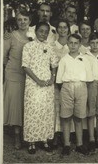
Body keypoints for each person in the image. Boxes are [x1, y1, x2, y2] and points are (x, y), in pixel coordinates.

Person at [22, 22, 59, 154]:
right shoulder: (28, 46)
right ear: (36, 31)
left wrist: (52, 78)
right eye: (41, 31)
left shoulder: (49, 47)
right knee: (32, 110)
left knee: (45, 111)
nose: (43, 34)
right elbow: (25, 66)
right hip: (33, 84)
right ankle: (31, 141)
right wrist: (37, 80)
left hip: (47, 84)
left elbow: (54, 63)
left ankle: (44, 140)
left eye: (45, 32)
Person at [56, 34, 93, 156]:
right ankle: (66, 144)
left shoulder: (85, 59)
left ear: (80, 44)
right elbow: (60, 80)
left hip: (81, 87)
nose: (73, 45)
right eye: (70, 43)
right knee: (66, 117)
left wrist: (80, 88)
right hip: (67, 87)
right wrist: (68, 88)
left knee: (78, 117)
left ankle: (79, 144)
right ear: (67, 43)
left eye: (75, 43)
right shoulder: (64, 59)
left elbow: (88, 78)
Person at [3, 8, 32, 150]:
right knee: (16, 106)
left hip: (30, 76)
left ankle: (28, 136)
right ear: (16, 21)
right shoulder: (10, 36)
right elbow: (3, 56)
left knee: (27, 106)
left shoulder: (34, 35)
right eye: (19, 19)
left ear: (29, 21)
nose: (22, 22)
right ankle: (16, 137)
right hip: (14, 75)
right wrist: (8, 69)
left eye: (25, 19)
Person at [50, 19, 71, 148]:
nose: (62, 30)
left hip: (68, 82)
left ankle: (67, 135)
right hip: (55, 81)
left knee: (67, 108)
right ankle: (55, 134)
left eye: (65, 27)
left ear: (68, 29)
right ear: (57, 29)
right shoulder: (52, 45)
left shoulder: (73, 45)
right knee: (56, 108)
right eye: (60, 27)